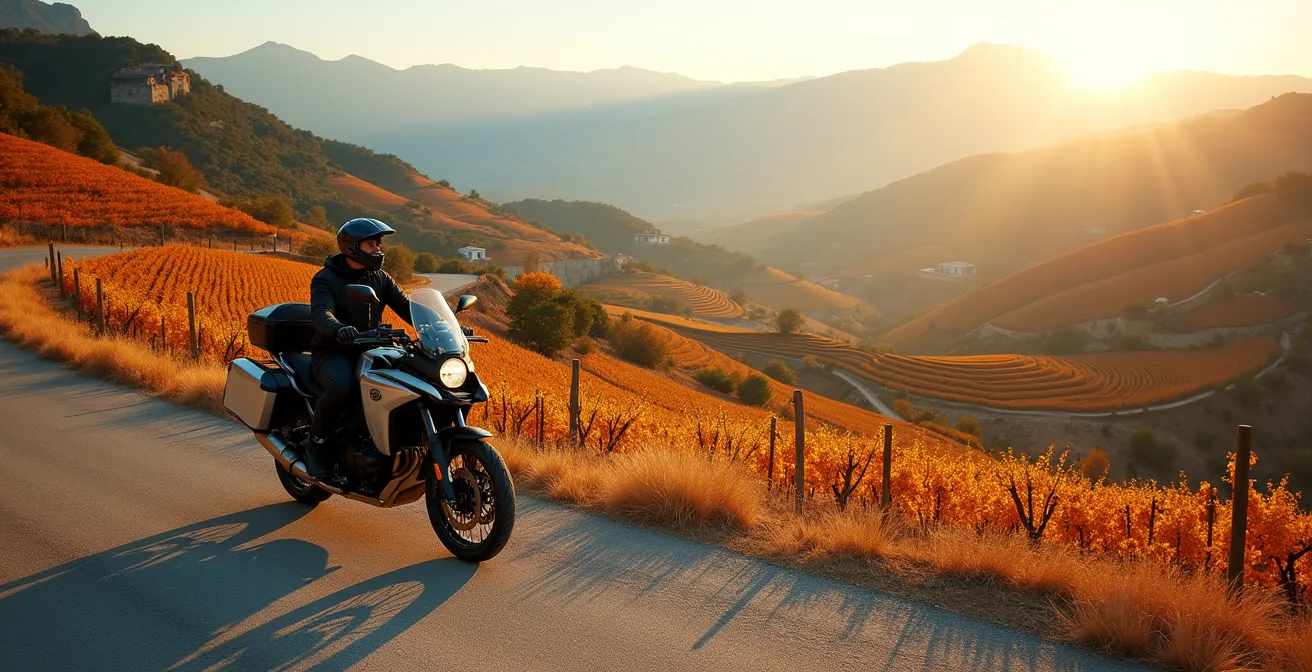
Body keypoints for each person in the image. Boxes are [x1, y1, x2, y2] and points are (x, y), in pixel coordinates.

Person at [304, 218, 413, 478]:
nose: (378, 250)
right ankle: (315, 444)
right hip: (333, 351)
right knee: (343, 386)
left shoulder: (380, 277)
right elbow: (321, 313)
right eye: (371, 244)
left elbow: (408, 308)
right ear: (352, 247)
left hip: (371, 352)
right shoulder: (326, 279)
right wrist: (338, 328)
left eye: (378, 244)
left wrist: (445, 324)